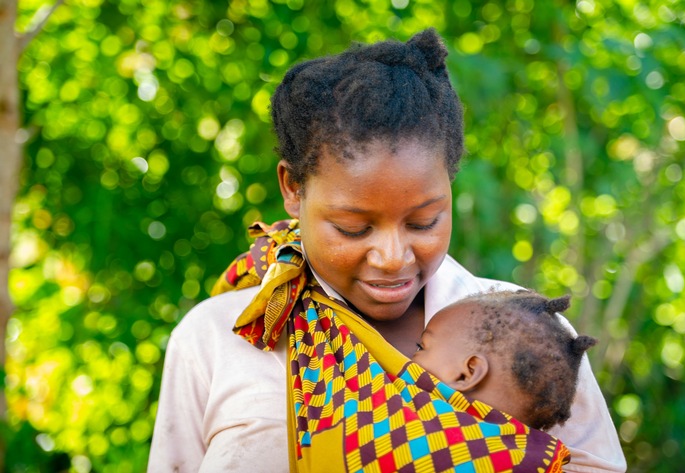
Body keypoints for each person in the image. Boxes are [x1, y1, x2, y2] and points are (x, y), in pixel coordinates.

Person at [148, 29, 626, 472]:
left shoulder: (529, 337)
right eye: (353, 228)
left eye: (423, 222)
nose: (393, 257)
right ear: (293, 189)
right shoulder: (215, 339)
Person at [411, 290, 597, 432]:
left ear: (467, 372)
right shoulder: (536, 461)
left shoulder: (411, 429)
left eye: (422, 347)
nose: (409, 357)